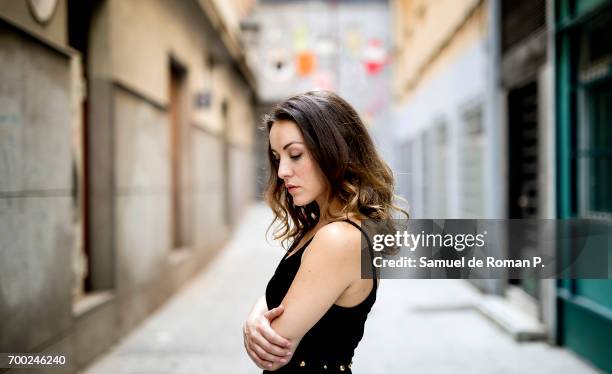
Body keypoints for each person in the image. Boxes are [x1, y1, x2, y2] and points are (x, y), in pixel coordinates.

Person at [242, 91, 407, 373]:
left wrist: (254, 323)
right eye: (276, 157)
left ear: (335, 151)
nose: (281, 171)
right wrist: (257, 312)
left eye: (295, 154)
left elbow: (272, 349)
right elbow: (287, 296)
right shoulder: (324, 225)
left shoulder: (339, 238)